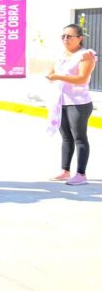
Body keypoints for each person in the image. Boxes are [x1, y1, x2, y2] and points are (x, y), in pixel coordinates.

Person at [47, 24, 97, 186]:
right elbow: (52, 72)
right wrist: (51, 75)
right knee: (66, 138)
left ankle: (81, 174)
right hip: (61, 101)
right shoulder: (61, 54)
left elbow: (82, 78)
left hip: (79, 103)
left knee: (80, 138)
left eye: (69, 36)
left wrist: (58, 77)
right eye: (63, 36)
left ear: (80, 38)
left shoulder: (86, 55)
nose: (65, 39)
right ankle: (65, 171)